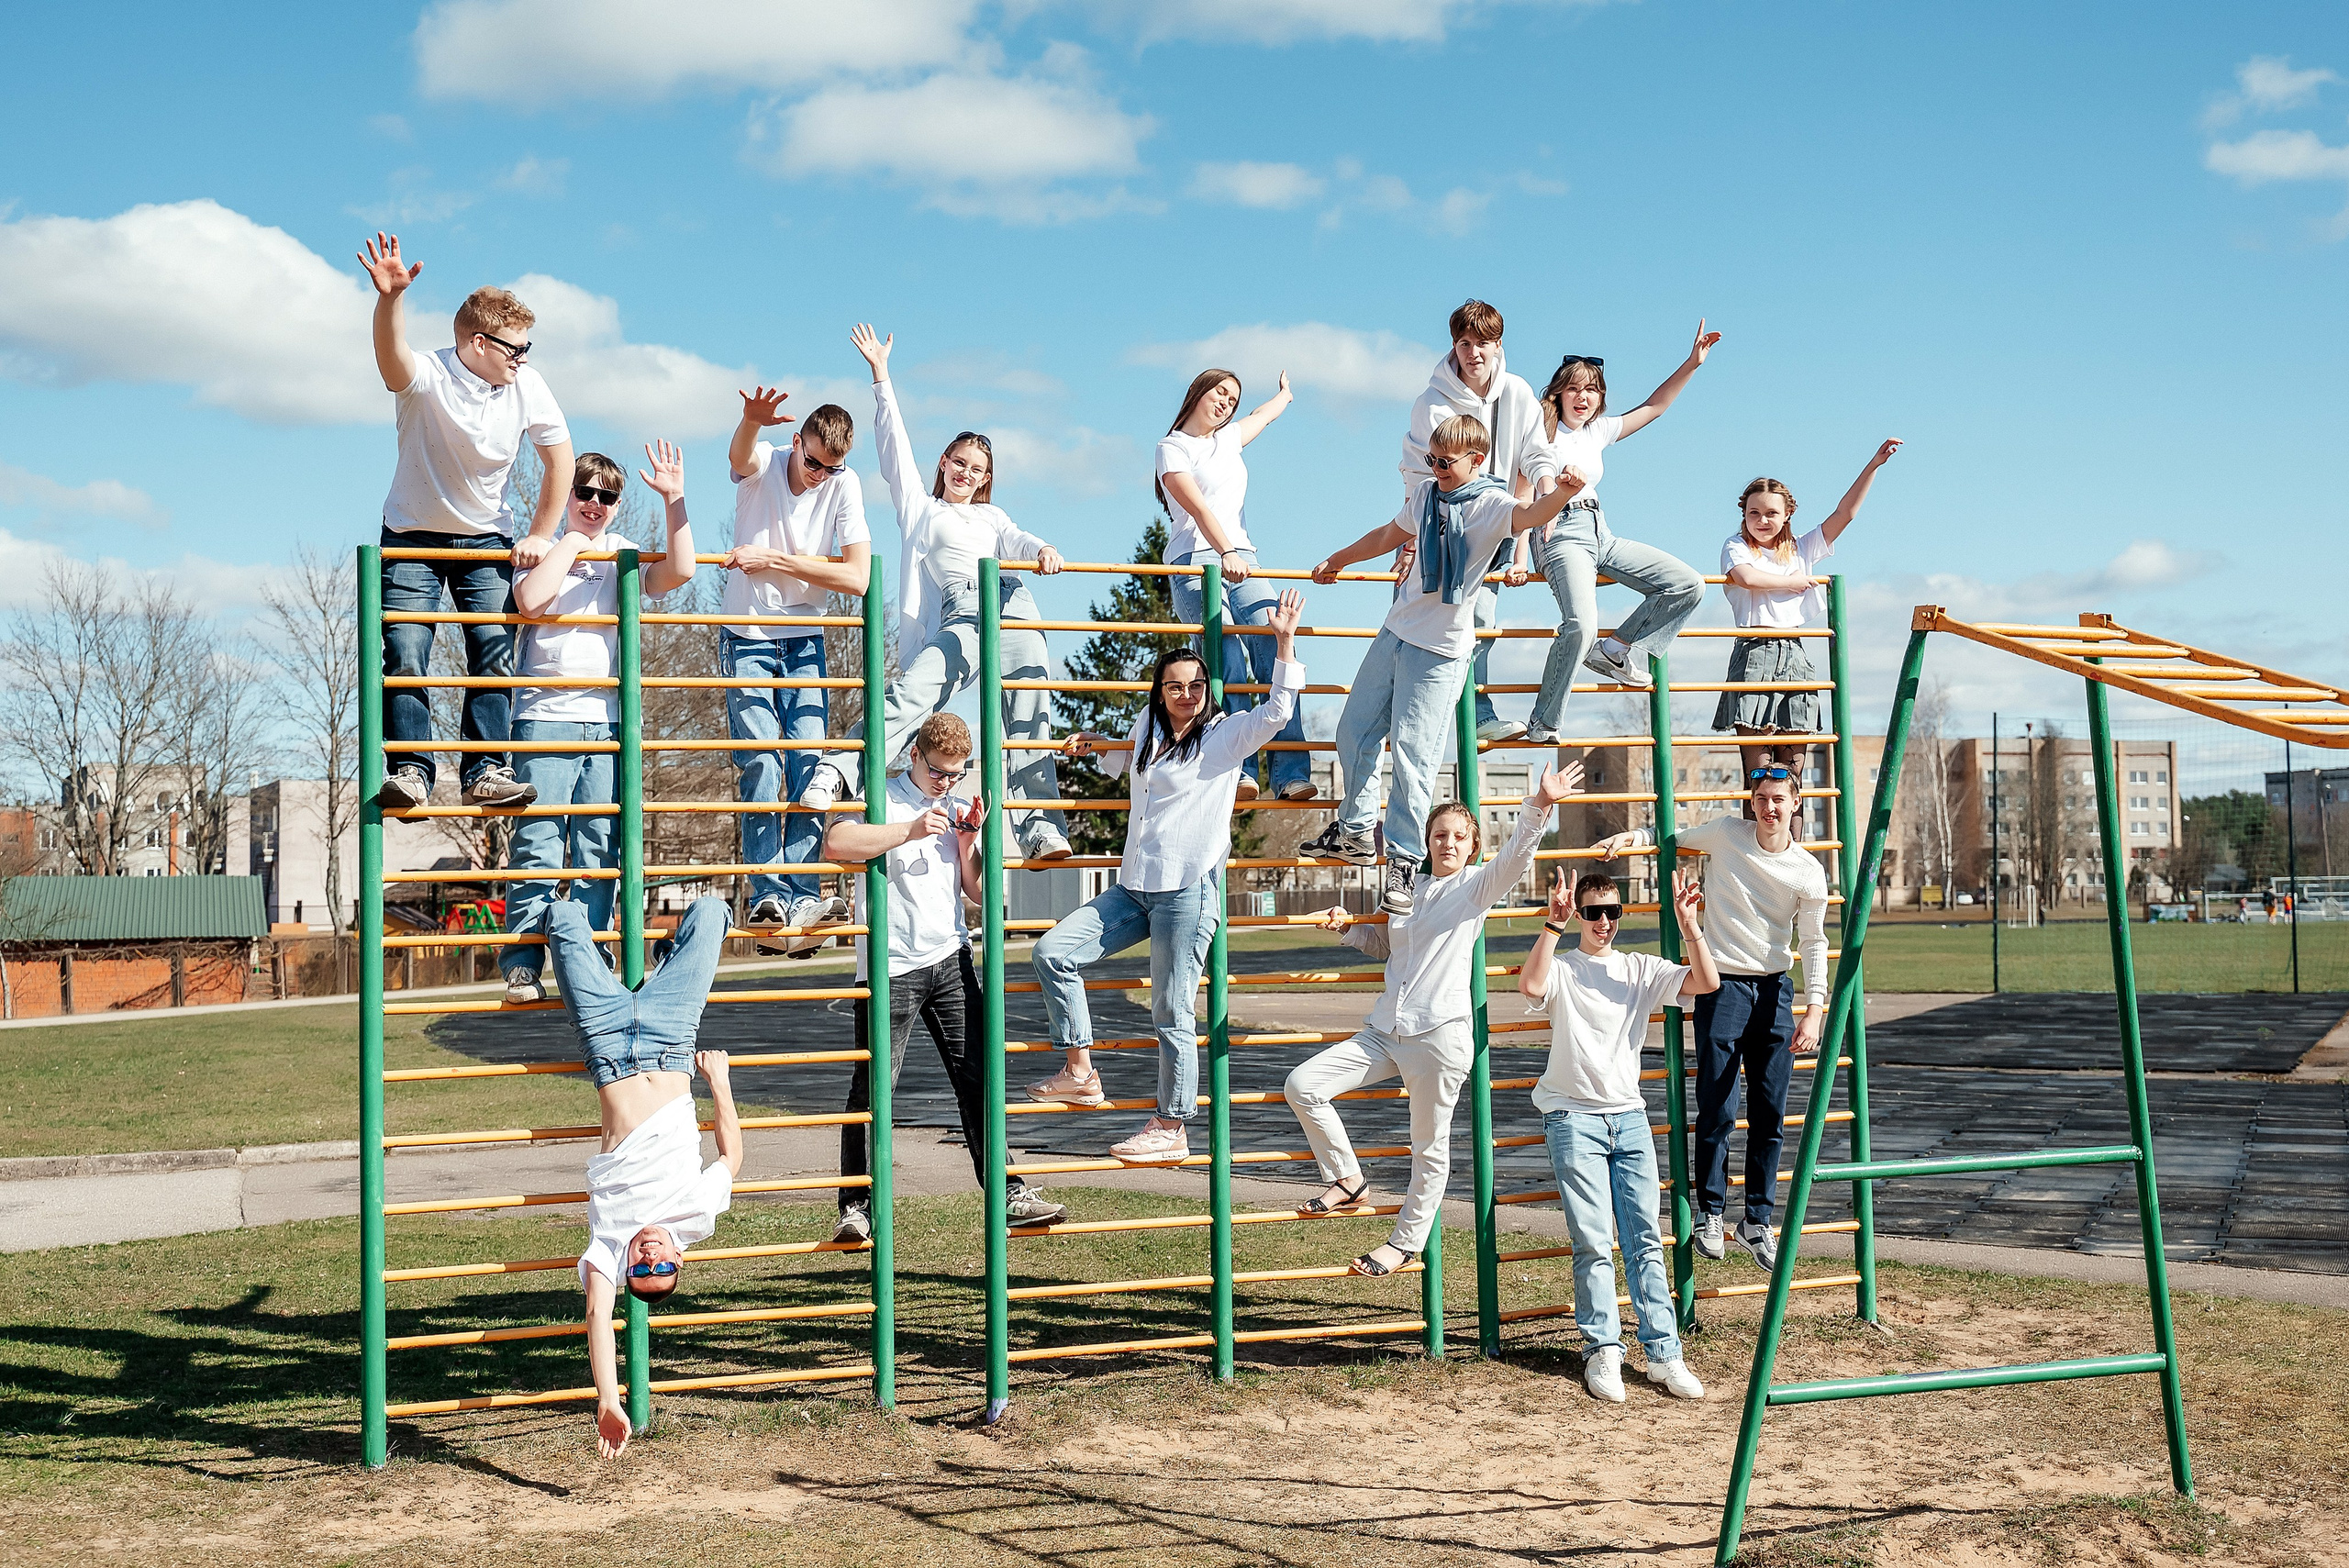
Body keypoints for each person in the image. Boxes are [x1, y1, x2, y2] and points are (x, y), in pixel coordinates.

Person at [1025, 593, 1308, 1164]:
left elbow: (1276, 713)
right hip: (1135, 886)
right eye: (1174, 685)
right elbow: (1129, 762)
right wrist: (1096, 746)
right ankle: (1080, 1070)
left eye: (1195, 686)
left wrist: (1282, 642)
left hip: (1186, 888)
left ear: (1207, 692)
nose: (1186, 694)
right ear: (1160, 691)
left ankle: (1171, 1125)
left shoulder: (1222, 738)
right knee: (1053, 951)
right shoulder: (1147, 730)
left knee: (1171, 1008)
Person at [1284, 762, 1580, 1276]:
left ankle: (1405, 1242)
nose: (1448, 843)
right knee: (1302, 1084)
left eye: (1459, 837)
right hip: (1385, 1030)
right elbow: (1390, 948)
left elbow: (1515, 859)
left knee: (1429, 1147)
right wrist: (1348, 926)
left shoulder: (1474, 889)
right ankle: (1348, 1178)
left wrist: (1541, 805)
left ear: (1472, 847)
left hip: (1438, 1037)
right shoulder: (1406, 889)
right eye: (1439, 834)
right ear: (1425, 842)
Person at [797, 325, 1074, 863]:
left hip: (1012, 600)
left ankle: (1039, 824)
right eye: (960, 463)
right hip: (964, 607)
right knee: (913, 693)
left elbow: (1016, 537)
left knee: (1029, 709)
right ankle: (836, 770)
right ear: (944, 462)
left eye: (979, 470)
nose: (968, 474)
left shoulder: (992, 515)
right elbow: (894, 448)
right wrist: (882, 377)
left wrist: (1043, 547)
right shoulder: (923, 511)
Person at [1305, 415, 1593, 915]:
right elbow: (1385, 537)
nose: (1435, 468)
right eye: (1431, 460)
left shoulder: (1491, 504)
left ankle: (1401, 860)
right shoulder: (1424, 495)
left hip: (1440, 652)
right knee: (1353, 733)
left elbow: (1531, 514)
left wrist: (1564, 492)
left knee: (1414, 757)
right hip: (1395, 632)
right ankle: (1353, 832)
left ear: (1476, 460)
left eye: (1445, 462)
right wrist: (1340, 558)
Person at [823, 713, 1069, 1238]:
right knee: (873, 1089)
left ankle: (1008, 1191)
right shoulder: (879, 794)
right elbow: (836, 844)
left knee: (980, 1076)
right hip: (889, 966)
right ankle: (856, 1207)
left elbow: (978, 892)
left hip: (951, 959)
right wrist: (910, 830)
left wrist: (967, 844)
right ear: (914, 755)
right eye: (939, 772)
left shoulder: (958, 805)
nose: (947, 783)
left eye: (957, 774)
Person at [360, 232, 574, 811]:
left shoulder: (525, 385)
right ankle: (410, 769)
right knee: (405, 650)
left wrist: (539, 532)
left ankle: (485, 770)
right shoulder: (428, 376)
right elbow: (391, 359)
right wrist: (390, 301)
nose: (523, 359)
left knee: (493, 647)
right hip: (411, 533)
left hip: (485, 534)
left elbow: (560, 458)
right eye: (515, 349)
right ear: (479, 343)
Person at [1592, 766, 1830, 1268]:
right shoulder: (1725, 834)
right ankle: (1712, 1214)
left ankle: (1757, 1221)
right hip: (1721, 986)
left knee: (1770, 1113)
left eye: (1779, 800)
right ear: (1752, 802)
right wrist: (1629, 838)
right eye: (1761, 798)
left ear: (1795, 805)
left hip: (1774, 992)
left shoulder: (1806, 870)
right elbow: (1667, 835)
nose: (1769, 808)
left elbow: (1814, 944)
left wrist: (1814, 1011)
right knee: (1717, 1105)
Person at [498, 446, 698, 1004]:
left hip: (606, 721)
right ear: (564, 496)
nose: (594, 503)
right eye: (583, 492)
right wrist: (567, 542)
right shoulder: (544, 545)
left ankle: (586, 958)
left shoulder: (622, 553)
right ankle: (522, 963)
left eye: (606, 497)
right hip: (545, 715)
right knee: (539, 842)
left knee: (599, 846)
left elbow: (680, 570)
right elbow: (531, 602)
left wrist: (674, 499)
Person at [1520, 866, 1717, 1403]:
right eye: (1594, 912)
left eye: (1613, 912)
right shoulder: (1563, 965)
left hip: (1629, 1117)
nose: (1604, 921)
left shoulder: (1639, 968)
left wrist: (1689, 925)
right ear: (1580, 913)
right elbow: (1531, 985)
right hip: (1572, 1118)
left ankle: (1664, 1355)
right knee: (1592, 1240)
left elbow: (1706, 983)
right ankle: (1603, 1350)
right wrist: (1552, 926)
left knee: (1646, 1240)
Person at [559, 895, 741, 1459]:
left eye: (643, 1269)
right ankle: (665, 962)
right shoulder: (696, 1218)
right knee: (712, 912)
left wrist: (609, 1399)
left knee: (563, 921)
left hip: (608, 1045)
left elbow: (597, 1316)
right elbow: (732, 1158)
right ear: (679, 1260)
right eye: (663, 1267)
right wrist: (720, 1083)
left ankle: (649, 958)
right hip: (669, 1037)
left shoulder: (611, 1247)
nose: (650, 1256)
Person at [1520, 326, 1720, 744]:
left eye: (1592, 389)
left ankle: (1614, 650)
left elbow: (1655, 407)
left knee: (1687, 585)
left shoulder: (1598, 431)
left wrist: (1693, 363)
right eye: (1574, 388)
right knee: (1581, 623)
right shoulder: (1539, 431)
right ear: (1557, 392)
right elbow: (1522, 492)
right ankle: (1544, 723)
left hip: (1600, 532)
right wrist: (1522, 555)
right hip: (1559, 532)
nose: (1583, 397)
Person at [724, 390, 874, 948]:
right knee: (762, 762)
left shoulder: (843, 484)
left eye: (830, 467)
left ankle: (803, 891)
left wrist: (776, 561)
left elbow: (857, 578)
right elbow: (741, 458)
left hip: (806, 634)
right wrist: (747, 421)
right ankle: (767, 895)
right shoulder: (764, 461)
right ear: (796, 443)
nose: (818, 474)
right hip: (747, 634)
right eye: (811, 461)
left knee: (810, 767)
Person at [1397, 299, 1560, 745]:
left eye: (1483, 343)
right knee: (1424, 623)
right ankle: (1414, 711)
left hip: (1498, 520)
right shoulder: (1431, 403)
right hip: (1442, 527)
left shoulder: (1518, 392)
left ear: (1498, 344)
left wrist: (1548, 488)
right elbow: (1417, 471)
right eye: (1464, 343)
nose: (1474, 353)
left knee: (1481, 622)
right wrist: (1412, 539)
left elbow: (1536, 451)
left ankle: (1476, 714)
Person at [1156, 366, 1311, 802]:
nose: (1226, 402)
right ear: (1198, 392)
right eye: (1220, 393)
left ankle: (1290, 772)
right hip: (1197, 560)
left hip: (1242, 558)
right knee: (1226, 655)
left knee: (1276, 642)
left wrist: (1285, 395)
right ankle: (1239, 767)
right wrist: (1226, 553)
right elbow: (1200, 508)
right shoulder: (1172, 448)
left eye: (1233, 399)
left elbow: (1264, 415)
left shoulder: (1228, 439)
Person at [1715, 441, 1902, 784]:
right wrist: (1791, 583)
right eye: (1753, 513)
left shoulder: (1801, 548)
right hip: (1755, 649)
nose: (1762, 520)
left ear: (1787, 514)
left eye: (1771, 513)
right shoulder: (1737, 545)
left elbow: (1844, 514)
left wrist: (1874, 464)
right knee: (1759, 774)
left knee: (1792, 772)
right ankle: (1756, 837)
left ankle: (1794, 838)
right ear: (1744, 514)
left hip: (1795, 652)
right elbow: (1746, 577)